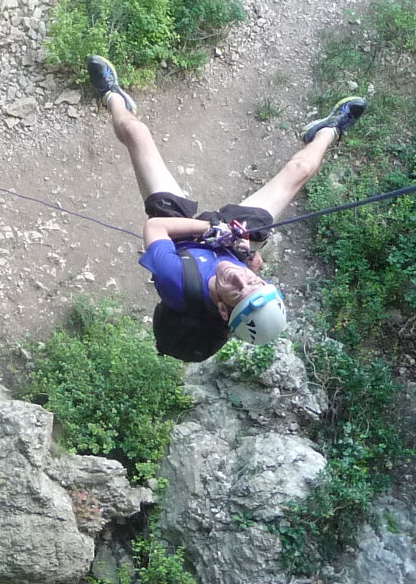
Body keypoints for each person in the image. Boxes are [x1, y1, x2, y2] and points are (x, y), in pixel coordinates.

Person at [88, 55, 364, 361]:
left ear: (222, 309)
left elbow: (155, 228)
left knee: (137, 135)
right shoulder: (244, 280)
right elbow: (253, 265)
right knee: (299, 170)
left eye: (236, 290)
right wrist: (245, 253)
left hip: (182, 239)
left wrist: (208, 229)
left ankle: (112, 97)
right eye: (253, 282)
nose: (239, 277)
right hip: (225, 240)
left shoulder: (175, 280)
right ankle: (328, 130)